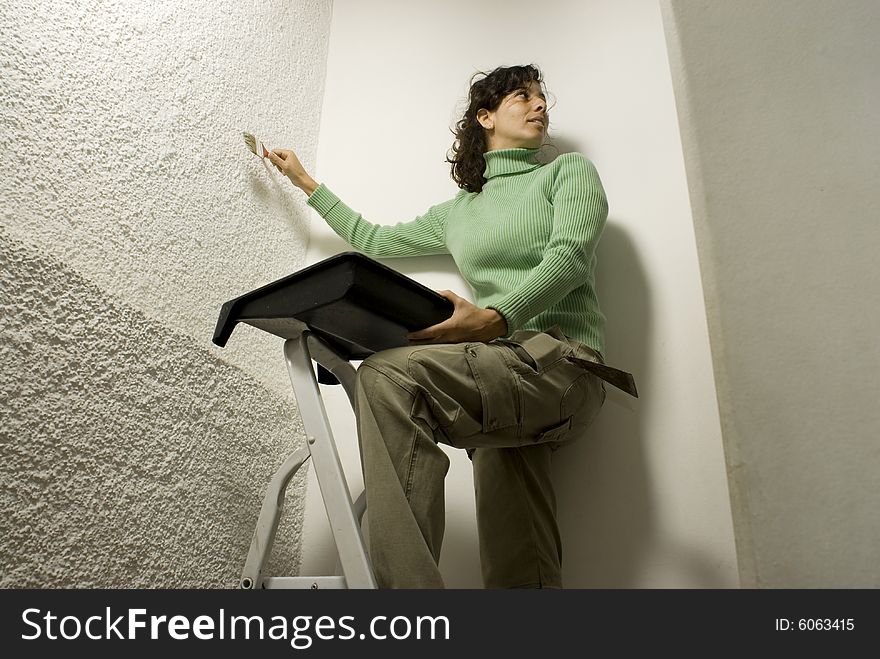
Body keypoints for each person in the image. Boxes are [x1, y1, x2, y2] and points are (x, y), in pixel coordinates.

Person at [268, 64, 635, 589]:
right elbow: (373, 239)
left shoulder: (567, 173)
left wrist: (492, 318)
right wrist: (305, 182)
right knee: (517, 544)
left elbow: (571, 256)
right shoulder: (459, 211)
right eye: (522, 97)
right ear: (484, 117)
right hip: (505, 374)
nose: (540, 107)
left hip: (565, 365)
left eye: (541, 98)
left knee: (388, 376)